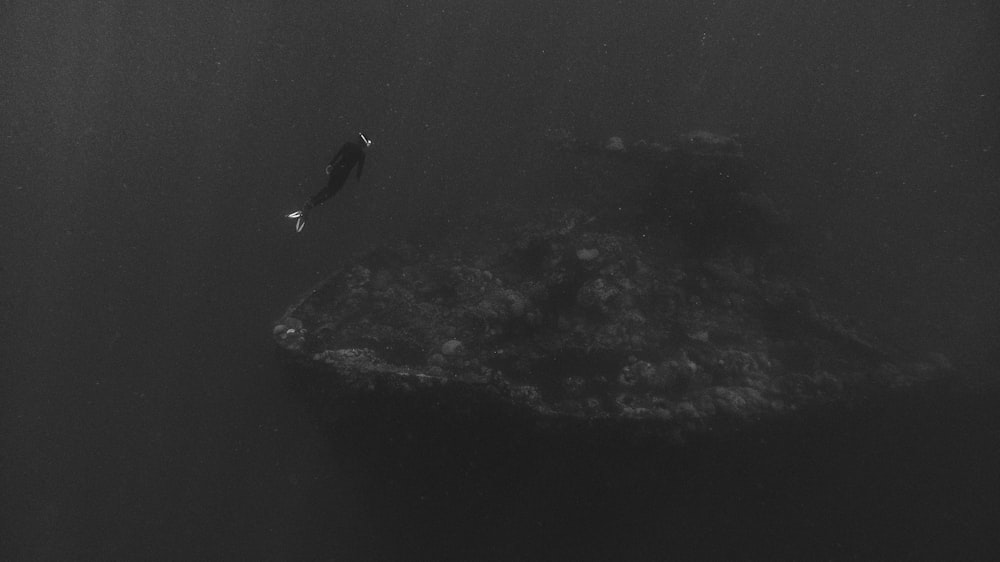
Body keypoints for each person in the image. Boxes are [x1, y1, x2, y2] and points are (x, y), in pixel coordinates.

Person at [287, 132, 372, 232]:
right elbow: (359, 170)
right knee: (331, 192)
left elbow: (338, 155)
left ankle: (311, 202)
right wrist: (357, 180)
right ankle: (312, 203)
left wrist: (330, 165)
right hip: (343, 175)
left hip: (336, 170)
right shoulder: (361, 154)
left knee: (328, 188)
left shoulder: (348, 145)